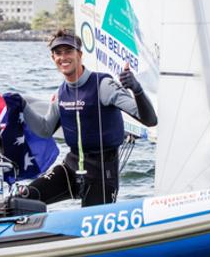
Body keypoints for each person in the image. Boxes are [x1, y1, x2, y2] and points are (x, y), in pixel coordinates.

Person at [15, 30, 157, 207]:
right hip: (71, 168)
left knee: (95, 225)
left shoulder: (104, 86)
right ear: (53, 58)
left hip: (101, 174)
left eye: (68, 51)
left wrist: (137, 90)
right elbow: (45, 129)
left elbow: (150, 120)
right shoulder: (61, 93)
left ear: (79, 54)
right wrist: (22, 105)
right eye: (58, 53)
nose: (63, 57)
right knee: (21, 200)